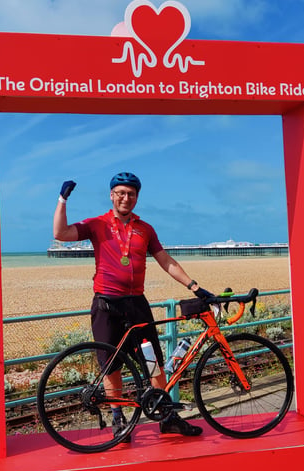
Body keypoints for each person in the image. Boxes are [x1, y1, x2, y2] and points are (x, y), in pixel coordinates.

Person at [53, 172, 210, 441]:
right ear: (112, 195)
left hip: (136, 303)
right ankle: (118, 420)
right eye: (121, 193)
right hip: (106, 304)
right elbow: (60, 233)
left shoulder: (145, 229)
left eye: (131, 194)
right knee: (111, 366)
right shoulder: (97, 224)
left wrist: (194, 286)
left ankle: (168, 417)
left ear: (137, 197)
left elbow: (165, 260)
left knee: (153, 364)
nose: (126, 198)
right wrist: (62, 200)